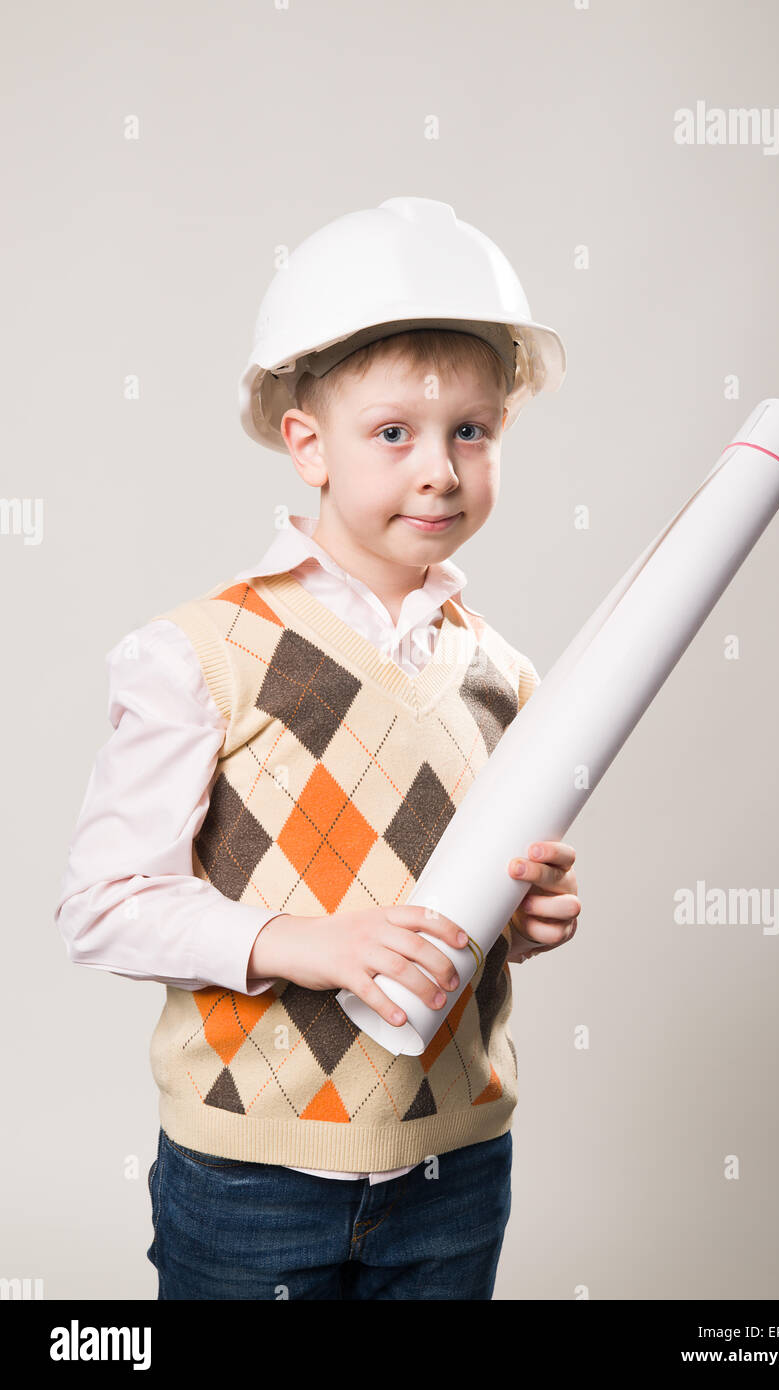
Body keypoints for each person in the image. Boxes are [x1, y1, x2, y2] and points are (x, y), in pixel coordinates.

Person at [54, 196, 582, 1300]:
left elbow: (459, 915)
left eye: (470, 432)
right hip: (252, 1177)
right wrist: (308, 942)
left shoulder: (511, 678)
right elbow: (101, 903)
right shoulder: (201, 652)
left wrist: (522, 924)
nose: (436, 469)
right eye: (392, 432)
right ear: (308, 446)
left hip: (458, 1164)